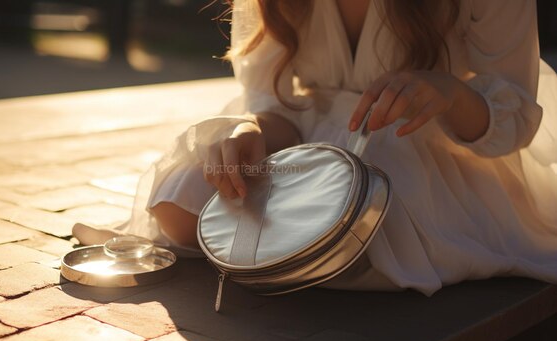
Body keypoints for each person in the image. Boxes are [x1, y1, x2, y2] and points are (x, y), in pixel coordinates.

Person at [73, 0, 557, 295]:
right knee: (182, 196)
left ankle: (275, 257)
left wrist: (449, 93)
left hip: (431, 143)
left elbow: (512, 123)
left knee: (376, 213)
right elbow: (276, 105)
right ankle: (273, 255)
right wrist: (250, 130)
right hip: (308, 133)